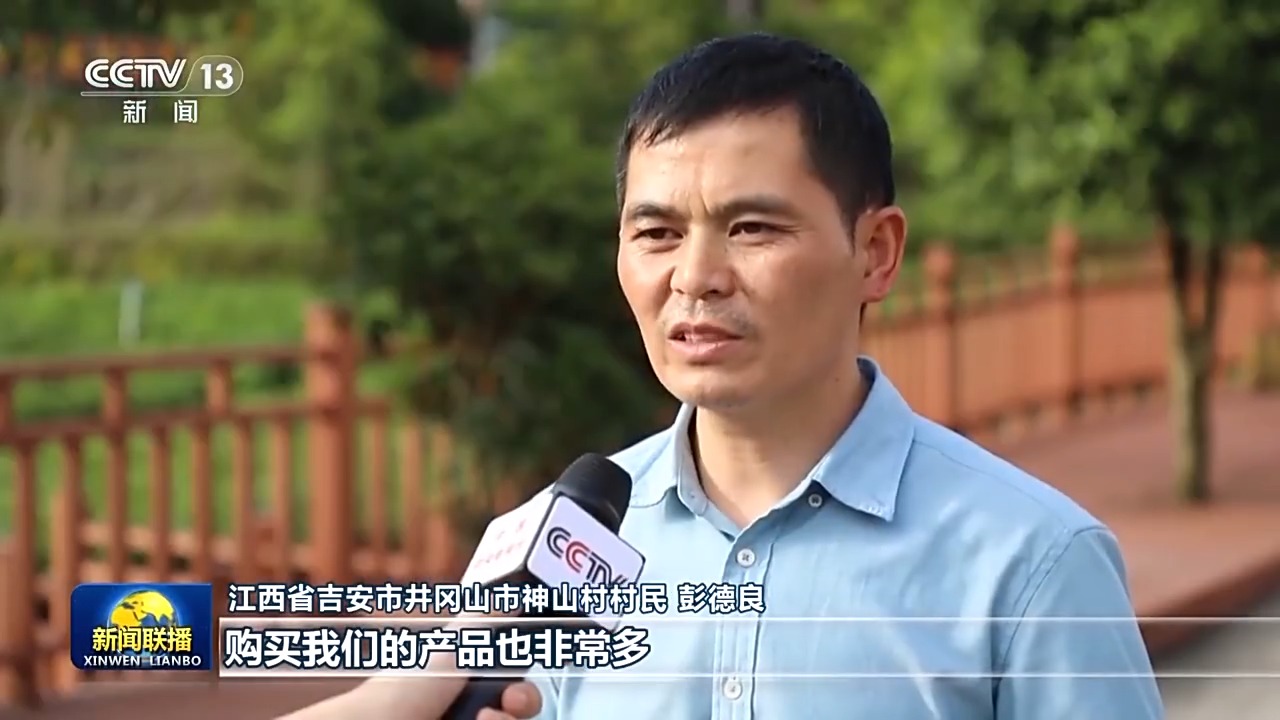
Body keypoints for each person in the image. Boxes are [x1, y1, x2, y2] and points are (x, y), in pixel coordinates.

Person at [288, 32, 1163, 720]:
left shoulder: (1030, 564)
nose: (695, 277)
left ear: (875, 252)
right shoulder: (556, 549)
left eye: (752, 228)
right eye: (657, 233)